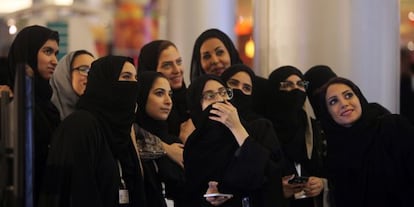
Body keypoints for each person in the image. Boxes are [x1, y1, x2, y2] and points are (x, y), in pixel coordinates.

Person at [38, 55, 146, 207]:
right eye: (126, 77)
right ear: (104, 83)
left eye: (135, 78)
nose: (134, 85)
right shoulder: (80, 126)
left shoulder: (121, 132)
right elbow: (76, 192)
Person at [184, 75, 284, 207]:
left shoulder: (259, 129)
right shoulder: (194, 146)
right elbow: (190, 196)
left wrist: (236, 127)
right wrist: (208, 199)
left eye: (223, 92)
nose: (220, 99)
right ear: (197, 106)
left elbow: (270, 175)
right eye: (210, 96)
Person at [317, 77, 414, 207]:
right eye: (334, 101)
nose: (344, 103)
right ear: (327, 113)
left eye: (348, 95)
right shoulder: (334, 152)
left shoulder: (392, 127)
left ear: (359, 97)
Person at [5, 25, 60, 205]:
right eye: (47, 51)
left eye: (55, 53)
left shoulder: (48, 107)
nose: (54, 60)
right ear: (27, 53)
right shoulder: (10, 103)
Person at [265, 66, 327, 207]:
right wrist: (275, 189)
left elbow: (330, 169)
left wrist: (321, 183)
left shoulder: (314, 128)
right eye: (287, 85)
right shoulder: (264, 129)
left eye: (300, 84)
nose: (296, 90)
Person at [189, 28, 268, 117]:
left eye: (220, 52)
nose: (214, 61)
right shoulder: (193, 98)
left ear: (230, 53)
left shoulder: (261, 90)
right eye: (207, 56)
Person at [135, 71, 186, 207]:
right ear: (142, 95)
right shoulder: (132, 140)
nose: (168, 101)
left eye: (170, 94)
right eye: (159, 93)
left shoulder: (175, 143)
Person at [138, 40, 193, 142]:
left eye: (179, 62)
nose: (177, 70)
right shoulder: (141, 117)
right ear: (151, 71)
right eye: (167, 65)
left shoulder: (192, 99)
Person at [50, 50, 95, 120]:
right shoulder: (46, 113)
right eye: (83, 69)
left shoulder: (97, 113)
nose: (90, 75)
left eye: (93, 70)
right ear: (65, 75)